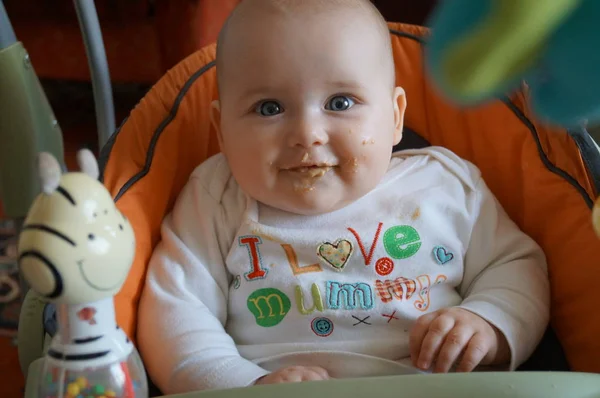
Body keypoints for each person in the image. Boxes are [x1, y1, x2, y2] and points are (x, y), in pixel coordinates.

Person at [137, 0, 550, 394]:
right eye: (268, 108)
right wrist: (244, 384)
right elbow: (175, 315)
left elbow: (514, 266)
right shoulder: (216, 197)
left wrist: (487, 321)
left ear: (394, 117)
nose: (307, 134)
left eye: (340, 102)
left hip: (433, 384)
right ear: (222, 130)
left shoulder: (445, 184)